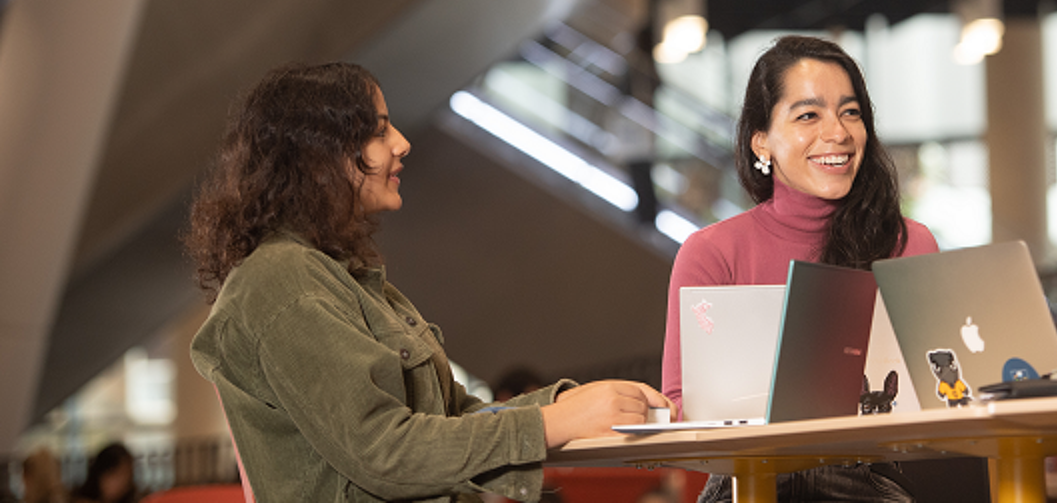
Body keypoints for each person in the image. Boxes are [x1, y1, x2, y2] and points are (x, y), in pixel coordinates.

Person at [185, 62, 673, 503]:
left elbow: (449, 421)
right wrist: (554, 421)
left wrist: (568, 403)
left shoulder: (337, 274)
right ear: (321, 157)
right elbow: (384, 452)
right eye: (378, 131)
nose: (401, 142)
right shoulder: (282, 283)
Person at [662, 36, 985, 502]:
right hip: (751, 479)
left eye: (850, 112)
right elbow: (679, 408)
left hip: (875, 477)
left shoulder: (909, 242)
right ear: (762, 141)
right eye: (808, 115)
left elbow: (940, 397)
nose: (838, 132)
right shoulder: (712, 251)